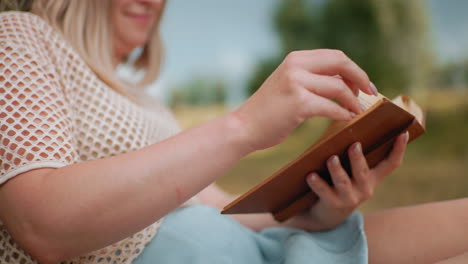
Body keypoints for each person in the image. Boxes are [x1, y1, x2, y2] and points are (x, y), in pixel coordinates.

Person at [0, 0, 467, 263]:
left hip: (266, 249)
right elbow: (42, 224)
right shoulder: (21, 36)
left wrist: (318, 210)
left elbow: (219, 209)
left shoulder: (148, 101)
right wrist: (244, 125)